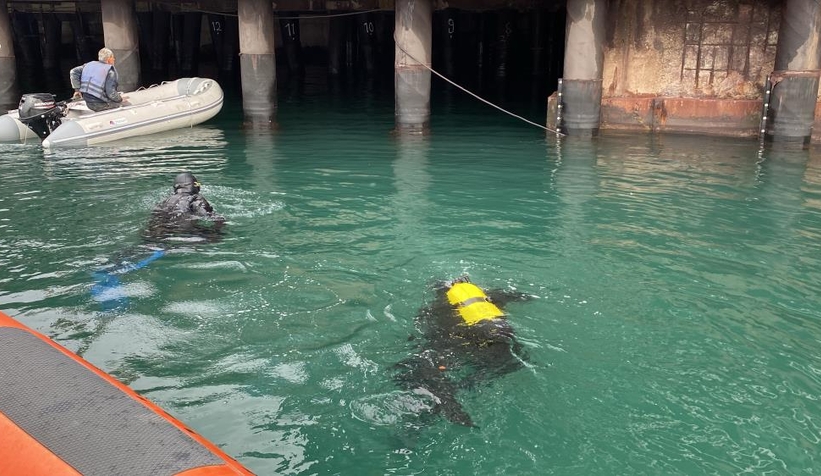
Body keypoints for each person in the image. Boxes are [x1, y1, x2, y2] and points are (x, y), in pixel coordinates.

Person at [144, 172, 226, 243]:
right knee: (217, 237)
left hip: (155, 231)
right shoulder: (195, 198)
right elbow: (205, 213)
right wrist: (218, 225)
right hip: (182, 231)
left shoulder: (166, 200)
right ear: (196, 186)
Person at [69, 47, 129, 112]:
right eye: (113, 57)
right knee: (125, 104)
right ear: (109, 59)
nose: (114, 59)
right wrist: (120, 99)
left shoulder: (88, 65)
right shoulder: (110, 72)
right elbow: (111, 94)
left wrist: (77, 89)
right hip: (100, 104)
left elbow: (73, 71)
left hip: (89, 103)